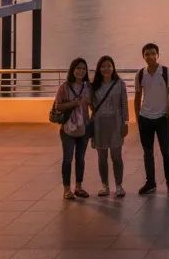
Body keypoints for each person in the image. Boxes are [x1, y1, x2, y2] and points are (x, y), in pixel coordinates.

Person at [133, 43, 169, 196]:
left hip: (162, 118)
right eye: (147, 54)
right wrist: (137, 116)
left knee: (166, 152)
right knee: (147, 152)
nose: (150, 56)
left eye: (153, 53)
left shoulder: (166, 72)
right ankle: (150, 182)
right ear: (143, 56)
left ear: (157, 54)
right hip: (145, 118)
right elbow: (138, 96)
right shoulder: (140, 74)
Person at [53, 57, 92, 200]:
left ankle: (79, 187)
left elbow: (91, 104)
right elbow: (58, 106)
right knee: (68, 159)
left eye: (83, 68)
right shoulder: (64, 87)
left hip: (83, 128)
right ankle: (66, 189)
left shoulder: (88, 87)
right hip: (68, 128)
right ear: (72, 70)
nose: (81, 71)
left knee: (80, 158)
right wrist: (74, 103)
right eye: (78, 68)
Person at [91, 55, 129, 198]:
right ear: (99, 69)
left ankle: (119, 186)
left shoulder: (120, 84)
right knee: (102, 157)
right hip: (99, 124)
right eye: (103, 66)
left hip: (116, 123)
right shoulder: (94, 86)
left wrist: (126, 123)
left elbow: (124, 105)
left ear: (113, 68)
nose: (106, 69)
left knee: (116, 156)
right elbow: (90, 104)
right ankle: (105, 186)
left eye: (109, 66)